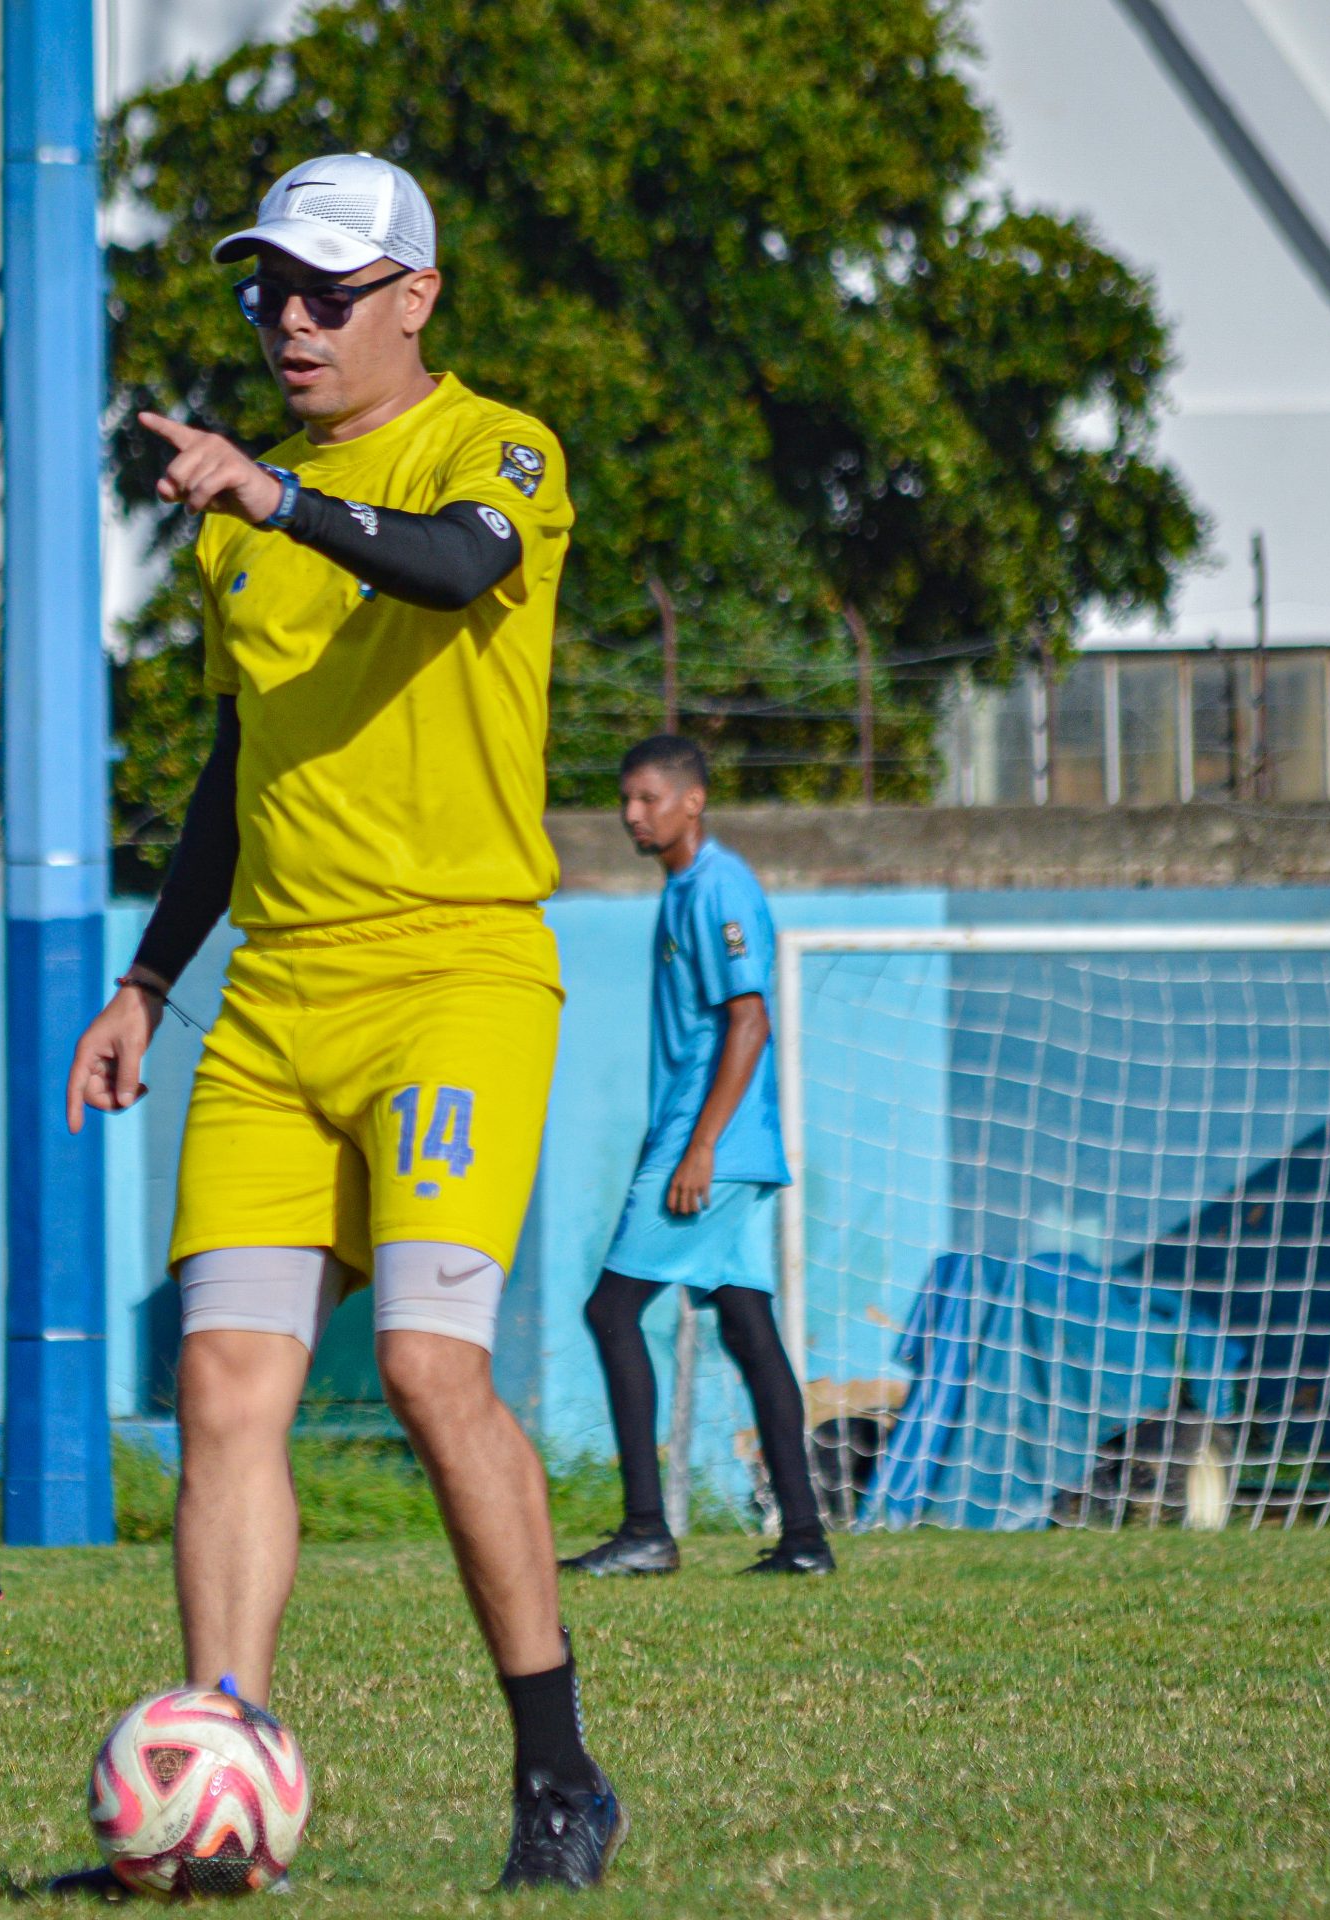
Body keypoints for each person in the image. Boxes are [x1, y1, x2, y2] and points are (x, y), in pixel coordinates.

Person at [62, 153, 622, 1890]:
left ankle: (558, 1778)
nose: (289, 321)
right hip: (272, 1005)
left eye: (325, 291)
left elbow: (456, 571)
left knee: (427, 1366)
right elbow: (241, 773)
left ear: (414, 298)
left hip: (452, 981)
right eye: (269, 293)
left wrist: (269, 501)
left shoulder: (493, 445)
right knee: (225, 1385)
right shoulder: (254, 510)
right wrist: (149, 977)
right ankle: (216, 1776)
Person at [560, 735, 836, 1579]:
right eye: (626, 798)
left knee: (611, 1312)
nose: (631, 813)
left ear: (693, 801)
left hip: (708, 1147)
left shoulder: (719, 887)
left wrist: (700, 1148)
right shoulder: (684, 889)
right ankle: (804, 1540)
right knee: (751, 1332)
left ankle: (646, 1528)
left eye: (647, 798)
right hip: (708, 1143)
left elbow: (750, 1020)